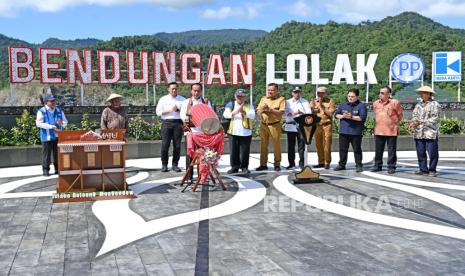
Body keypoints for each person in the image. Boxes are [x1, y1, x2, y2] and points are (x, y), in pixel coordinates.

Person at [180, 83, 213, 178]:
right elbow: (182, 116)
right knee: (189, 155)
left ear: (201, 91)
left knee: (202, 155)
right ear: (191, 91)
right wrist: (194, 120)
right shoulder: (186, 102)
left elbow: (210, 114)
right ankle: (189, 176)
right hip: (190, 132)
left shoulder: (206, 102)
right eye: (194, 90)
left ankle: (201, 176)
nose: (196, 93)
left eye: (198, 91)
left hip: (203, 133)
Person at [407, 86, 441, 177]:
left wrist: (422, 121)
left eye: (425, 93)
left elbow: (435, 118)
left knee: (432, 153)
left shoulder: (435, 104)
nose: (423, 94)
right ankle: (423, 169)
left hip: (430, 133)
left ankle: (432, 170)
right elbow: (415, 116)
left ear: (430, 94)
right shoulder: (418, 105)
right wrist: (413, 122)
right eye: (421, 93)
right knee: (420, 152)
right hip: (419, 132)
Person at [372, 86, 403, 174]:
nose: (380, 94)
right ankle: (377, 166)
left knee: (391, 150)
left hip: (391, 130)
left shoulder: (395, 103)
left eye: (382, 93)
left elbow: (400, 115)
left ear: (388, 94)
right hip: (379, 130)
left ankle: (391, 167)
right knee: (378, 150)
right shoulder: (375, 103)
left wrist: (394, 123)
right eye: (380, 92)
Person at [334, 88, 367, 172]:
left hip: (355, 132)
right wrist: (342, 116)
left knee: (357, 149)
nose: (350, 98)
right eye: (349, 96)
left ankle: (359, 165)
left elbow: (362, 118)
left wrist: (351, 117)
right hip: (343, 131)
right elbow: (336, 114)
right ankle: (342, 164)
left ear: (357, 97)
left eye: (352, 96)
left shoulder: (361, 105)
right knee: (342, 149)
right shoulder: (343, 104)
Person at [223, 89, 255, 174]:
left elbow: (252, 115)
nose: (240, 98)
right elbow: (226, 114)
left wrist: (244, 112)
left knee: (245, 151)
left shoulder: (249, 105)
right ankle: (234, 167)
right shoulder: (231, 104)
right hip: (233, 131)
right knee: (233, 151)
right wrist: (234, 112)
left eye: (242, 96)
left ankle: (244, 167)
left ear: (245, 96)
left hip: (246, 132)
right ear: (235, 96)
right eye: (238, 96)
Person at [156, 82, 186, 172]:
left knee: (177, 145)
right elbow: (158, 112)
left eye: (176, 88)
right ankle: (164, 165)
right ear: (168, 89)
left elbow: (187, 112)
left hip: (178, 123)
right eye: (172, 88)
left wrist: (179, 110)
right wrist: (170, 110)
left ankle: (175, 164)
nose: (174, 90)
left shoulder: (182, 99)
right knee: (165, 145)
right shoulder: (163, 99)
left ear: (178, 89)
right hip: (167, 123)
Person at [256, 83, 285, 171]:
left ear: (277, 91)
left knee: (276, 145)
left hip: (274, 125)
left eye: (272, 90)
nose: (270, 92)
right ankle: (263, 164)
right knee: (263, 145)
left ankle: (277, 164)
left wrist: (270, 110)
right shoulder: (263, 99)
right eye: (269, 90)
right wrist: (262, 109)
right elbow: (258, 112)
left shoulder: (281, 99)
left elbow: (281, 112)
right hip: (264, 125)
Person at [36, 94, 68, 176]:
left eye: (54, 100)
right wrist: (51, 126)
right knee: (46, 155)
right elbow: (38, 123)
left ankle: (58, 169)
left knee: (57, 154)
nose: (54, 102)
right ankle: (46, 171)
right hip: (46, 136)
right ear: (46, 102)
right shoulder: (41, 111)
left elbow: (65, 122)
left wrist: (62, 123)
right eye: (52, 101)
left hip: (58, 135)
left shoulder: (59, 110)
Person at [284, 86, 311, 169]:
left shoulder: (305, 102)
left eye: (298, 92)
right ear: (292, 93)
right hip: (291, 125)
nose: (297, 94)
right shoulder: (287, 102)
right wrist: (294, 113)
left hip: (301, 126)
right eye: (295, 92)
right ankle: (291, 163)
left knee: (301, 146)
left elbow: (309, 114)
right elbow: (284, 113)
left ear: (300, 93)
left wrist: (302, 113)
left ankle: (301, 163)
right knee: (290, 146)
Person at [310, 86, 336, 169]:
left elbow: (330, 114)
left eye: (322, 93)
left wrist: (322, 105)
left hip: (326, 125)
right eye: (318, 93)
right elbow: (312, 114)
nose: (320, 95)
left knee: (327, 144)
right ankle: (320, 162)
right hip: (317, 125)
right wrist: (311, 108)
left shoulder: (330, 101)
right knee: (318, 144)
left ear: (326, 93)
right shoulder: (314, 101)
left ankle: (327, 161)